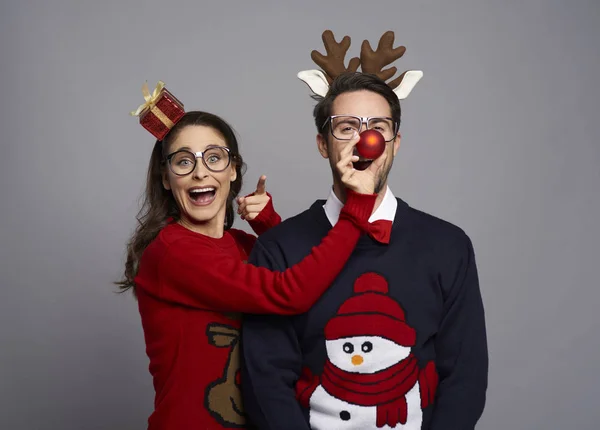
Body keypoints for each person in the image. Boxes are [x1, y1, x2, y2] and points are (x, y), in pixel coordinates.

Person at [241, 31, 489, 430]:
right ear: (323, 144)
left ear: (394, 143)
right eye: (346, 127)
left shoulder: (449, 246)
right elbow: (265, 384)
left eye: (377, 126)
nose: (365, 139)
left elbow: (465, 376)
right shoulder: (277, 249)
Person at [118, 100, 389, 430]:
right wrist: (357, 209)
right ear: (166, 177)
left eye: (214, 158)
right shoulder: (173, 251)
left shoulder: (242, 245)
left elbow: (315, 284)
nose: (200, 171)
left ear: (233, 170)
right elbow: (290, 293)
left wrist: (269, 225)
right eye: (183, 161)